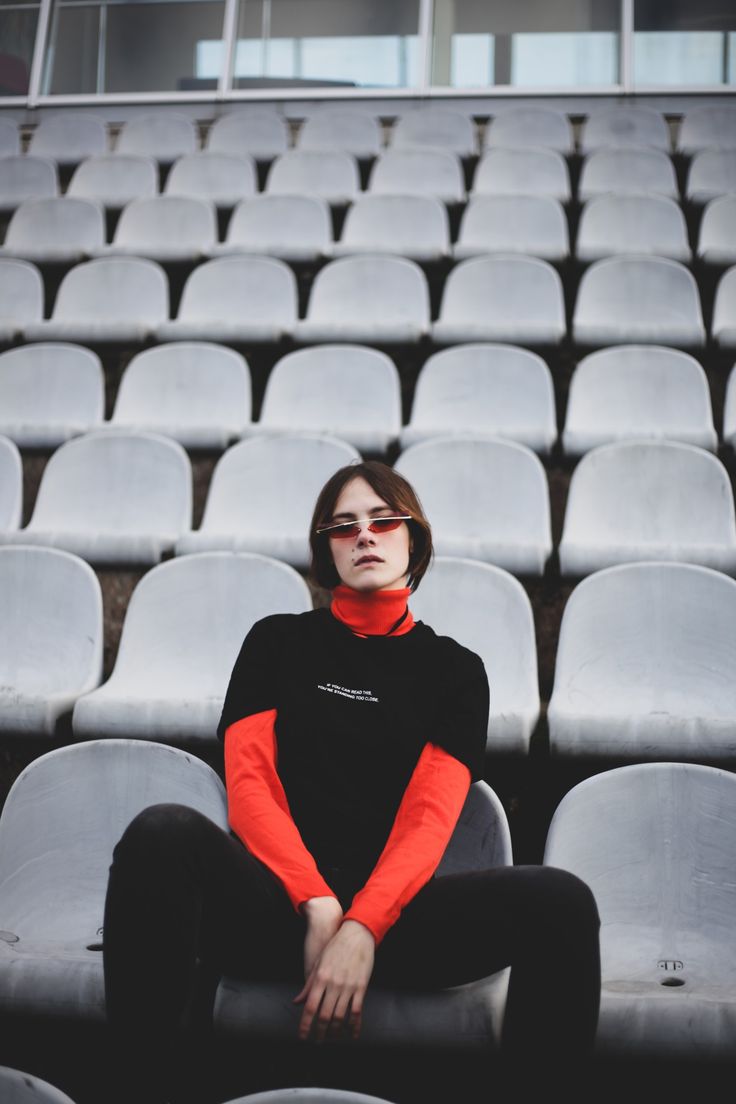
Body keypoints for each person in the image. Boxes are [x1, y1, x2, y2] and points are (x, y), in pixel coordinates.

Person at [102, 460, 600, 1103]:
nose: (365, 535)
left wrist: (363, 927)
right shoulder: (275, 642)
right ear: (325, 547)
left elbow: (430, 815)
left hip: (395, 922)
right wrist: (316, 901)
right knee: (160, 834)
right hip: (279, 910)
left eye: (383, 520)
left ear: (412, 540)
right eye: (344, 526)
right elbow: (251, 786)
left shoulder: (454, 670)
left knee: (562, 903)